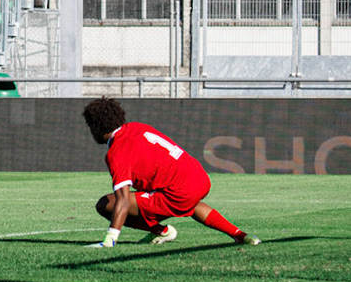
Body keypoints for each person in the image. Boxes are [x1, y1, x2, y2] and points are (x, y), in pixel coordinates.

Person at [82, 97, 260, 248]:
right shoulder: (137, 127)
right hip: (199, 178)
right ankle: (240, 235)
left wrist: (109, 239)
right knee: (188, 203)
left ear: (97, 127)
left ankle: (162, 231)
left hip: (178, 191)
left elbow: (122, 199)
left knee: (106, 204)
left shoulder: (117, 152)